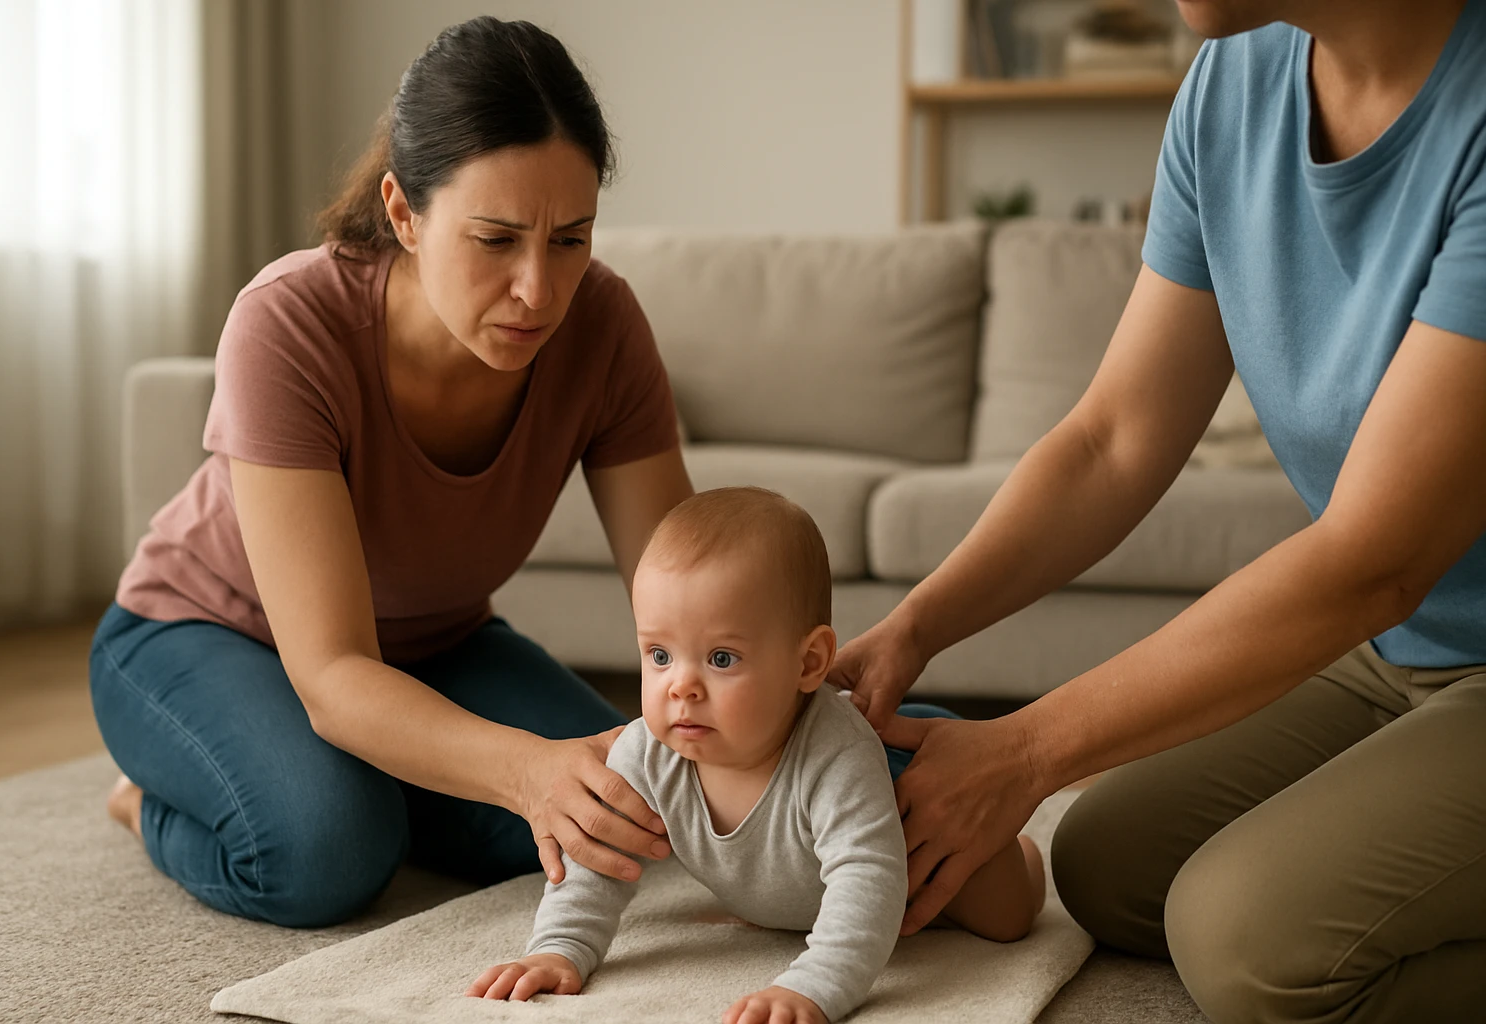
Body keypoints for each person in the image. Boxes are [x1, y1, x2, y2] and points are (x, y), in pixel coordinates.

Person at [831, 1, 1486, 1021]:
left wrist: (1029, 747)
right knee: (1106, 862)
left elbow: (1375, 555)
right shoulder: (1232, 88)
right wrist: (913, 630)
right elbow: (1114, 440)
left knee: (1248, 942)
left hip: (1416, 618)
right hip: (1394, 651)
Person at [88, 17, 695, 927]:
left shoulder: (603, 325)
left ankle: (390, 775)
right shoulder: (290, 322)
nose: (539, 289)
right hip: (202, 633)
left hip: (435, 646)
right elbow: (332, 670)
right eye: (495, 240)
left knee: (632, 814)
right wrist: (520, 770)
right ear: (404, 213)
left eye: (570, 239)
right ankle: (146, 799)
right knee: (329, 852)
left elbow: (687, 591)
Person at [466, 488, 1045, 1024]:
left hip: (910, 818)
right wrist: (560, 949)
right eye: (660, 655)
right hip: (803, 883)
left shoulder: (834, 755)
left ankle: (1019, 850)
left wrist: (813, 986)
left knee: (1003, 917)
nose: (681, 687)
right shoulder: (648, 751)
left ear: (809, 663)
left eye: (721, 659)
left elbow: (868, 880)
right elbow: (597, 855)